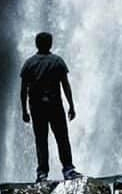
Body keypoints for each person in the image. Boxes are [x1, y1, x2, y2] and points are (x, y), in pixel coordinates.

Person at [20, 32, 82, 182]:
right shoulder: (57, 61)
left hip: (37, 108)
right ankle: (68, 169)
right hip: (55, 106)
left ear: (36, 44)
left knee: (41, 140)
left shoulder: (29, 63)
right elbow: (65, 85)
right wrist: (71, 106)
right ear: (51, 44)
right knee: (62, 137)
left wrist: (24, 111)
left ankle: (42, 173)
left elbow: (23, 90)